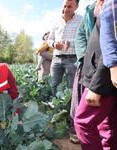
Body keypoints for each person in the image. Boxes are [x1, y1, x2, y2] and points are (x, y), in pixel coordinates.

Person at [74, 4, 117, 149]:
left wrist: (97, 86)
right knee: (109, 128)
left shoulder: (111, 4)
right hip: (104, 74)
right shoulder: (95, 7)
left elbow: (111, 44)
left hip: (104, 76)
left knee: (83, 122)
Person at [47, 0, 82, 96]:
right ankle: (55, 108)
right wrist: (54, 44)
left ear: (76, 7)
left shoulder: (81, 20)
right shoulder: (56, 21)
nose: (66, 9)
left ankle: (70, 109)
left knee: (72, 87)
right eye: (64, 6)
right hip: (56, 58)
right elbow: (49, 40)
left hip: (73, 58)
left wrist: (70, 43)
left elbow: (83, 39)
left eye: (69, 7)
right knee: (54, 84)